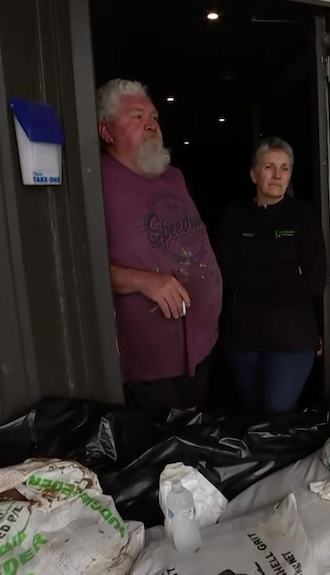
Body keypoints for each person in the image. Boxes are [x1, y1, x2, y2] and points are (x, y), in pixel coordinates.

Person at [96, 78, 222, 416]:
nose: (151, 124)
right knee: (156, 454)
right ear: (106, 131)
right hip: (149, 363)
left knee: (191, 445)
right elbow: (77, 270)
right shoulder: (94, 185)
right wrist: (144, 280)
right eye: (136, 117)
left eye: (153, 117)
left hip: (202, 343)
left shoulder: (173, 176)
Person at [216, 137, 327, 416]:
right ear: (254, 173)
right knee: (250, 414)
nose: (278, 175)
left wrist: (252, 280)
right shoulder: (233, 216)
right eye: (269, 167)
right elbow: (224, 275)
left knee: (277, 413)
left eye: (285, 168)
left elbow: (315, 281)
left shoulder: (304, 216)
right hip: (242, 338)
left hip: (292, 339)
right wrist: (288, 278)